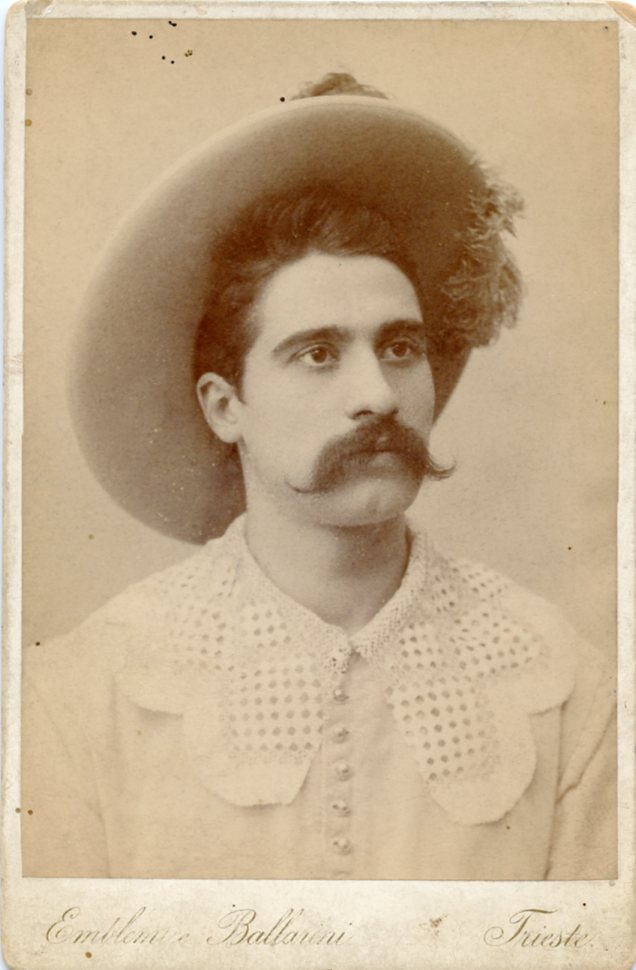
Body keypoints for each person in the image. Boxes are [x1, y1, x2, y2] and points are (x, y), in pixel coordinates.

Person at [22, 74, 616, 880]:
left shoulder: (562, 687)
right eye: (318, 354)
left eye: (400, 348)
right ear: (226, 405)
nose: (378, 395)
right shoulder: (85, 697)